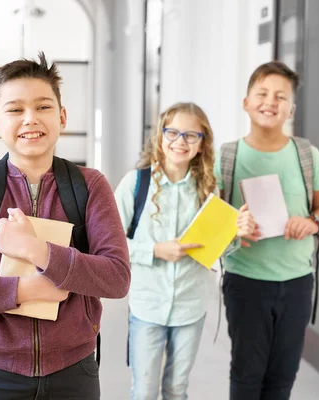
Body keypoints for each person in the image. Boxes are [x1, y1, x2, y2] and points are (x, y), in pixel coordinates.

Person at [0, 52, 131, 400]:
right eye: (15, 109)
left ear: (62, 116)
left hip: (75, 370)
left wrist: (35, 250)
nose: (30, 119)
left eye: (43, 107)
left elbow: (116, 278)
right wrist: (25, 290)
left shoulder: (90, 185)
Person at [115, 102, 257, 400]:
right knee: (144, 391)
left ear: (202, 144)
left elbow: (216, 250)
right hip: (147, 306)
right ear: (160, 135)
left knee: (177, 389)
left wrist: (237, 233)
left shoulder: (209, 189)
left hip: (190, 308)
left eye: (191, 135)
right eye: (173, 132)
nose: (181, 141)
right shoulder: (136, 184)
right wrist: (155, 250)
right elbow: (109, 245)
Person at [215, 61, 319, 400]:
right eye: (262, 93)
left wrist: (313, 222)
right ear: (246, 102)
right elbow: (209, 221)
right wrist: (236, 228)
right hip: (245, 282)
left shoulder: (307, 155)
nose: (271, 102)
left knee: (283, 377)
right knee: (246, 374)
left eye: (280, 97)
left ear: (290, 110)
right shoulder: (226, 156)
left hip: (297, 283)